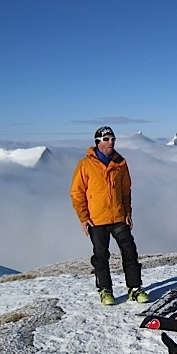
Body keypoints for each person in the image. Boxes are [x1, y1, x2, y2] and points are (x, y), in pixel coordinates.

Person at [70, 126, 149, 305]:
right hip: (96, 219)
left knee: (129, 251)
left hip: (119, 217)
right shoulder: (85, 164)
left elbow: (125, 191)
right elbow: (77, 192)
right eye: (106, 139)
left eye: (112, 138)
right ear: (97, 142)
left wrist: (128, 212)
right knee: (101, 255)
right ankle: (105, 291)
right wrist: (83, 217)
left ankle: (135, 289)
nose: (111, 142)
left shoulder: (120, 163)